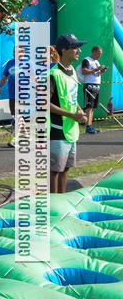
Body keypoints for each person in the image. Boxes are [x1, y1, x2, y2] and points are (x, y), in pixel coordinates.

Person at [50, 34, 87, 194]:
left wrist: (79, 110)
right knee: (54, 171)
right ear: (64, 50)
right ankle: (53, 207)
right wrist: (71, 115)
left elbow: (71, 95)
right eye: (75, 47)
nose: (79, 50)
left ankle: (62, 201)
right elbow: (43, 103)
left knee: (65, 169)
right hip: (56, 129)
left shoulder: (72, 71)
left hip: (71, 130)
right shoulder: (52, 73)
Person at [0, 45, 24, 148]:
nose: (14, 53)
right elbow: (4, 77)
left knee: (18, 116)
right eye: (13, 51)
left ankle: (15, 139)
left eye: (16, 51)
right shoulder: (10, 63)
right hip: (12, 94)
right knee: (16, 116)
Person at [79, 44, 106, 134]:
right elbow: (84, 71)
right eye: (98, 53)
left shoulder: (96, 62)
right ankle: (87, 126)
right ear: (93, 52)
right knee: (89, 107)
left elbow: (96, 75)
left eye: (100, 54)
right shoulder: (87, 60)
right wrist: (96, 69)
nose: (99, 55)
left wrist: (101, 71)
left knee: (93, 107)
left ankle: (90, 125)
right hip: (89, 86)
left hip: (96, 86)